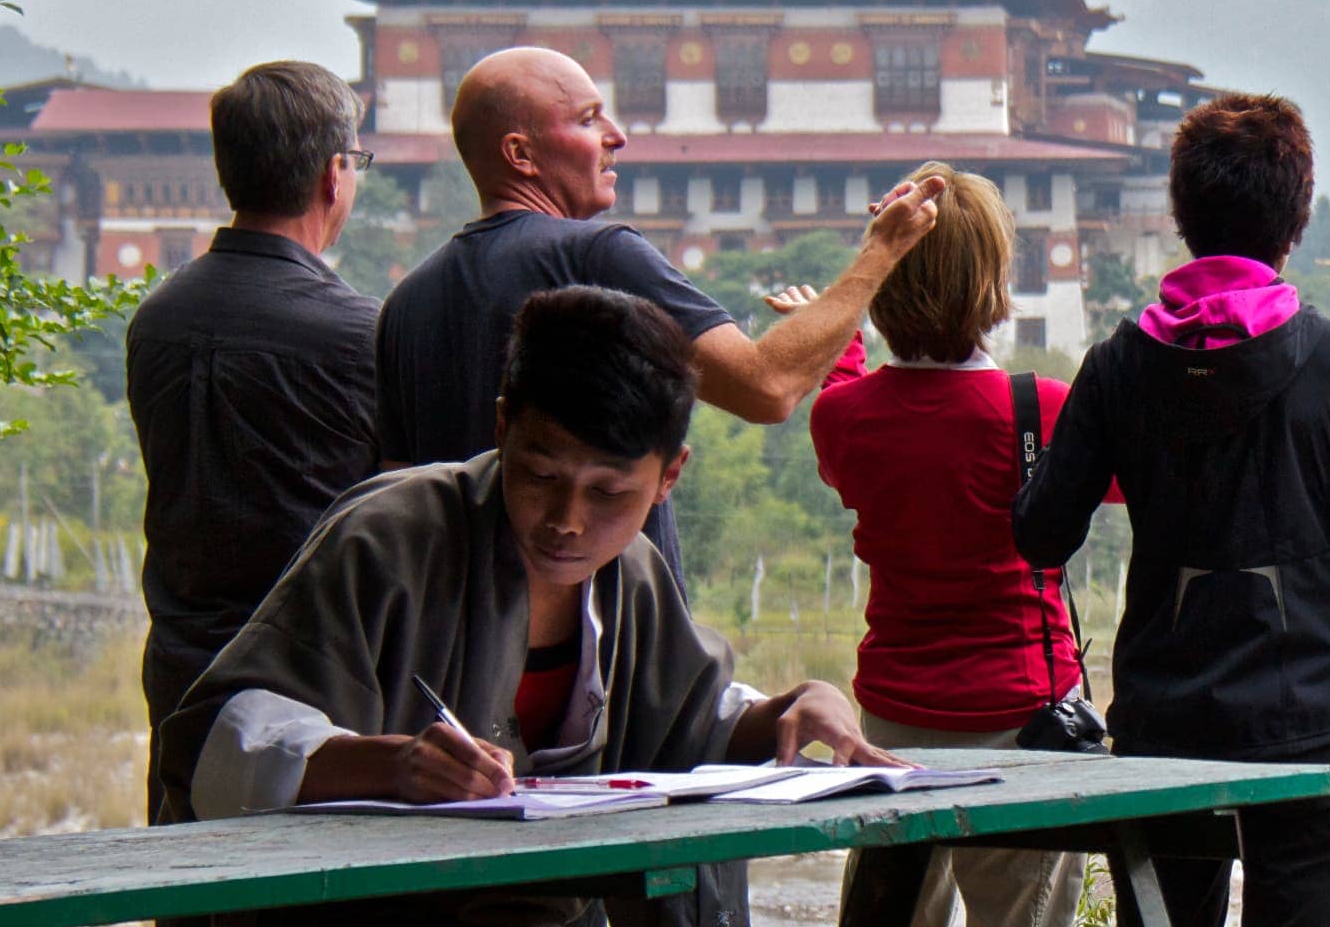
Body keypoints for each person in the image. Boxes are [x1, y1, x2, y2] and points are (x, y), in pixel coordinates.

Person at [159, 286, 900, 927]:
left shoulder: (631, 574)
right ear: (501, 426)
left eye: (610, 493)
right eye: (539, 473)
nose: (567, 519)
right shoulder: (390, 537)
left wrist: (796, 707)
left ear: (670, 474)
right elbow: (214, 747)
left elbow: (685, 725)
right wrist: (388, 766)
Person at [1013, 93, 1330, 927]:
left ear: (1181, 214)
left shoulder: (1117, 365)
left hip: (1163, 725)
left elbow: (1042, 533)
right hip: (1314, 721)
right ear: (1297, 219)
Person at [375, 45, 943, 588]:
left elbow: (395, 489)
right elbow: (767, 388)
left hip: (454, 636)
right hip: (604, 635)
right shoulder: (594, 255)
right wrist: (880, 253)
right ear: (520, 155)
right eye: (588, 119)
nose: (616, 136)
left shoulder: (406, 303)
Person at [799, 161, 1088, 927]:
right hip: (1025, 716)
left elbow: (846, 401)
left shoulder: (843, 418)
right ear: (994, 283)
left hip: (893, 723)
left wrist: (840, 341)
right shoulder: (1042, 411)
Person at [127, 60, 381, 822]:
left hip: (182, 674)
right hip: (310, 691)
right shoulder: (359, 335)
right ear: (335, 175)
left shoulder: (157, 319)